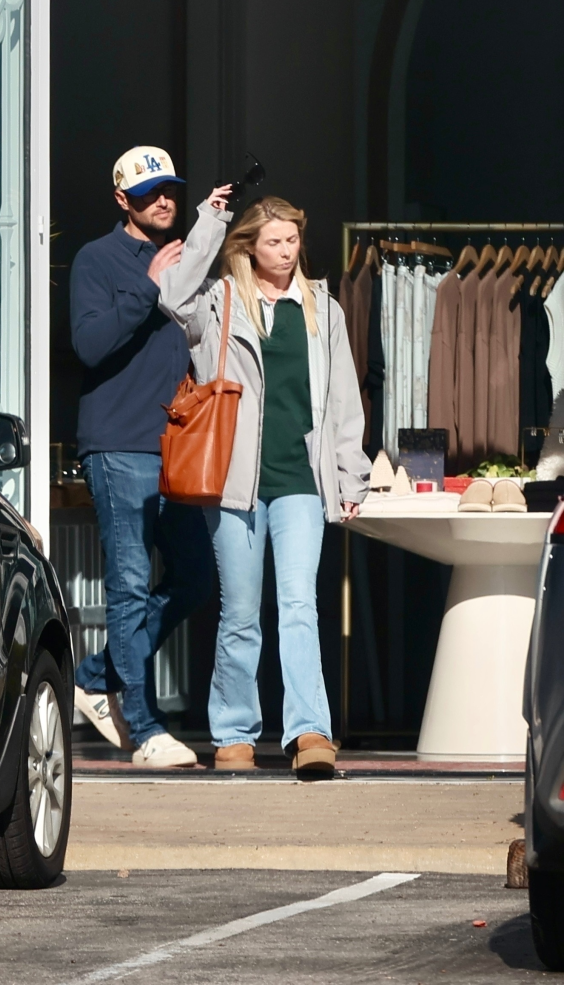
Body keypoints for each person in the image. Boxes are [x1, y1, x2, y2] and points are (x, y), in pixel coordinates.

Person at [159, 191, 371, 775]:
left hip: (301, 478)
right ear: (249, 247)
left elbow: (343, 402)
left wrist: (351, 473)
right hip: (233, 481)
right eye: (273, 241)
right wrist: (211, 220)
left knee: (300, 606)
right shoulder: (222, 301)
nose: (285, 250)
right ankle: (233, 733)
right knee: (241, 612)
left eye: (292, 239)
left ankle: (309, 734)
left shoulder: (322, 308)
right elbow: (171, 294)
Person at [70, 146, 213, 768]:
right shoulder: (96, 259)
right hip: (118, 446)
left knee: (196, 578)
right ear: (122, 199)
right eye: (151, 191)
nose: (164, 200)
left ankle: (96, 676)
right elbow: (91, 344)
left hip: (176, 447)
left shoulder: (189, 259)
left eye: (171, 190)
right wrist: (150, 287)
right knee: (128, 586)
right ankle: (145, 726)